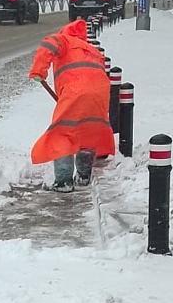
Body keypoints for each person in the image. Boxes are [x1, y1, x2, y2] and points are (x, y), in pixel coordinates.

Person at [28, 17, 115, 189]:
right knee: (88, 133)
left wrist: (38, 71)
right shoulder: (91, 49)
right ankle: (83, 177)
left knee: (63, 133)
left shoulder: (64, 40)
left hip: (76, 91)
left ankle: (63, 181)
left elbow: (48, 44)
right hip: (101, 93)